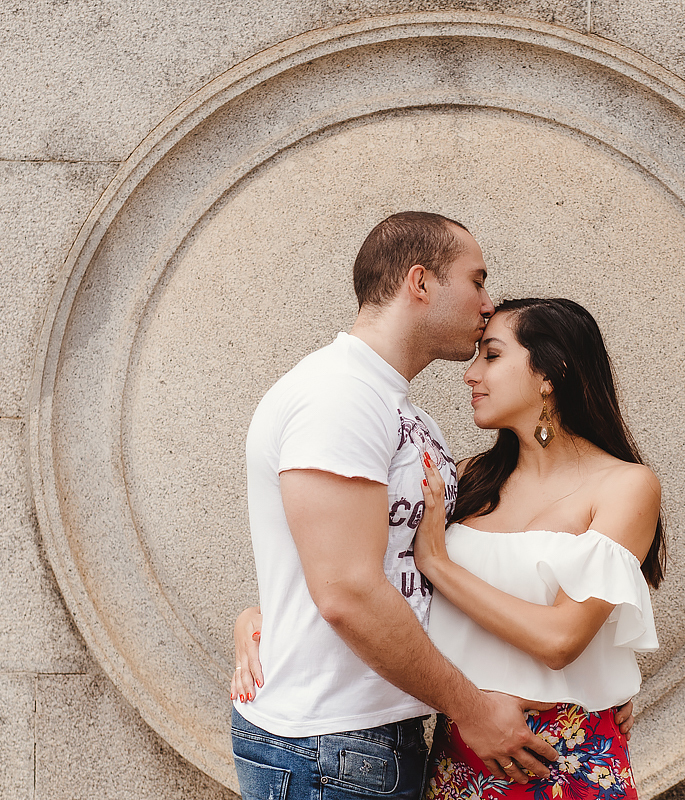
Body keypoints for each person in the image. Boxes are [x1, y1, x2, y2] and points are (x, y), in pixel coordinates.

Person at [235, 295, 664, 800]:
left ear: (550, 373)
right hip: (459, 748)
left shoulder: (627, 486)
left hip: (562, 754)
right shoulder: (467, 479)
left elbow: (560, 641)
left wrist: (437, 562)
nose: (471, 373)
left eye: (493, 355)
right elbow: (370, 577)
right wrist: (260, 617)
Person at [230, 212, 564, 800]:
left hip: (371, 735)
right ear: (420, 282)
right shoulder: (339, 396)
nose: (488, 303)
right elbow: (348, 592)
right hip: (330, 744)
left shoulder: (400, 412)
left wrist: (595, 675)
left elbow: (388, 560)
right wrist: (474, 711)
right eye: (477, 280)